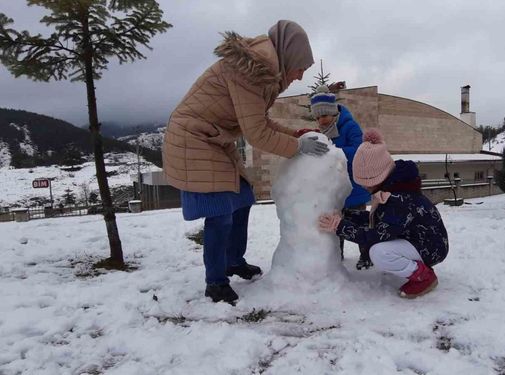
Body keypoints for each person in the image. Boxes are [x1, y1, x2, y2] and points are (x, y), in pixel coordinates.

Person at [162, 20, 328, 305]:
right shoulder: (249, 72)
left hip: (215, 139)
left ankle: (233, 260)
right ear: (289, 58)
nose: (300, 76)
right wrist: (297, 146)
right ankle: (215, 282)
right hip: (194, 139)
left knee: (243, 198)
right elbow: (257, 134)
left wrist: (295, 134)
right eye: (301, 68)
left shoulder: (262, 73)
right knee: (220, 212)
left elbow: (258, 120)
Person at [318, 129, 448, 298]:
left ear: (377, 178)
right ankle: (416, 266)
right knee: (380, 246)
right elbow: (378, 220)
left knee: (379, 252)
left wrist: (339, 226)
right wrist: (347, 215)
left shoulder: (399, 201)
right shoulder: (394, 188)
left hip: (431, 248)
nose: (365, 188)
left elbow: (375, 235)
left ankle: (424, 277)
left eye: (367, 183)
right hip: (418, 240)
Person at [296, 85, 372, 269]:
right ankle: (337, 255)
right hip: (334, 189)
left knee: (359, 223)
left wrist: (332, 152)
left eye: (323, 116)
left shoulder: (350, 126)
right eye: (317, 117)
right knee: (336, 225)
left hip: (354, 186)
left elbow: (358, 151)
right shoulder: (324, 131)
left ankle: (366, 254)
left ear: (332, 113)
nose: (320, 120)